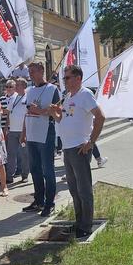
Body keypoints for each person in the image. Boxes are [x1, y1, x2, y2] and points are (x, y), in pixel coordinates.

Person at [50, 64, 105, 238]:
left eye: (67, 78)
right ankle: (79, 222)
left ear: (78, 78)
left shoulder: (85, 94)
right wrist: (54, 114)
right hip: (68, 147)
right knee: (74, 189)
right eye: (64, 78)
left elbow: (100, 116)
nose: (64, 81)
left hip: (79, 148)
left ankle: (86, 226)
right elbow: (62, 120)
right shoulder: (68, 96)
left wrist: (91, 142)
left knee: (83, 189)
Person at [21, 62, 60, 216]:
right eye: (29, 71)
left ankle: (50, 203)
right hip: (31, 134)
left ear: (42, 71)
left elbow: (57, 111)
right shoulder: (29, 90)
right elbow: (27, 112)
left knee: (48, 171)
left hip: (45, 134)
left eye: (33, 71)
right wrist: (24, 133)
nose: (30, 74)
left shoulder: (52, 89)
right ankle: (38, 200)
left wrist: (40, 111)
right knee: (35, 170)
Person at [7, 77, 29, 181]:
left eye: (18, 84)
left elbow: (27, 115)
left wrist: (24, 132)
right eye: (16, 84)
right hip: (12, 131)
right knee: (11, 154)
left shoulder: (27, 97)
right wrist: (7, 127)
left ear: (24, 86)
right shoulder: (13, 97)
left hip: (22, 131)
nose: (16, 86)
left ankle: (25, 175)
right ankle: (9, 176)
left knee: (24, 153)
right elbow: (9, 113)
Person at [0, 80, 16, 182]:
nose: (8, 88)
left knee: (12, 152)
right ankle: (6, 173)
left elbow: (7, 111)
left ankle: (11, 173)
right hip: (2, 126)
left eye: (10, 86)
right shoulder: (2, 98)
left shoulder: (16, 97)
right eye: (7, 86)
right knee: (5, 151)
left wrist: (4, 111)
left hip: (11, 126)